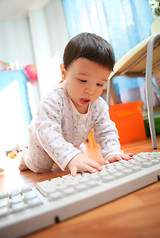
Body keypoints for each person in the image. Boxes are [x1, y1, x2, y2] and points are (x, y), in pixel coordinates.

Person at [19, 32, 133, 177]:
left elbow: (106, 130)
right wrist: (72, 157)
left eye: (99, 84)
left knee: (71, 157)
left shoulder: (98, 105)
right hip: (41, 144)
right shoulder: (53, 99)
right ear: (64, 73)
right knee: (40, 166)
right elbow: (47, 131)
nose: (91, 90)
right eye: (82, 81)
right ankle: (24, 156)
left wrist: (112, 152)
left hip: (69, 143)